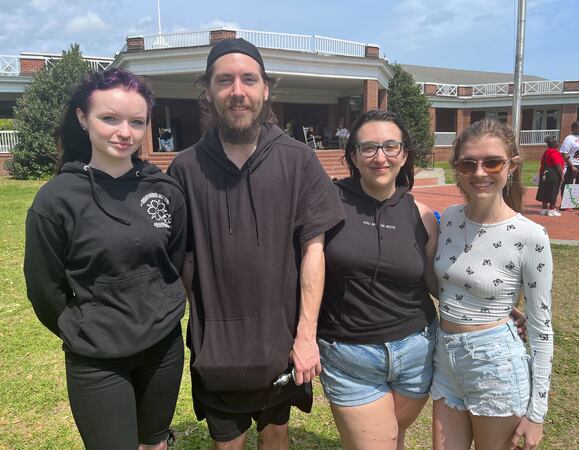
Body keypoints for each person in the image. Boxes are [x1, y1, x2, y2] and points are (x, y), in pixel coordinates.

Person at [167, 38, 346, 449]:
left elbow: (313, 250)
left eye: (249, 79)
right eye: (224, 80)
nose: (237, 91)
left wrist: (305, 337)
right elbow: (176, 263)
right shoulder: (185, 169)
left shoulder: (298, 160)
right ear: (208, 91)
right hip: (216, 352)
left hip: (281, 346)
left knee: (276, 439)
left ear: (266, 89)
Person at [24, 68, 187, 449]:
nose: (124, 132)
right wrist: (87, 327)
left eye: (136, 121)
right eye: (109, 118)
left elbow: (172, 262)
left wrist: (160, 308)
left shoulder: (164, 189)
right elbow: (45, 288)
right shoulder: (56, 200)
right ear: (83, 118)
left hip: (163, 348)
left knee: (155, 442)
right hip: (97, 359)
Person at [317, 109, 439, 449]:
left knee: (394, 438)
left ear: (404, 154)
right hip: (350, 354)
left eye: (390, 146)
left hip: (417, 350)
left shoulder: (423, 216)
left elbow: (436, 284)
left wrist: (496, 309)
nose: (380, 156)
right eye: (368, 147)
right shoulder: (327, 202)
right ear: (353, 156)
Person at [432, 119, 554, 450]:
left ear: (512, 165)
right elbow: (448, 284)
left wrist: (537, 413)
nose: (480, 172)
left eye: (492, 162)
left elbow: (543, 330)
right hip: (445, 358)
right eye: (468, 163)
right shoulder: (452, 217)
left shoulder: (530, 235)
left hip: (495, 364)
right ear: (457, 167)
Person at [560, 120, 579, 210]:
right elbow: (564, 153)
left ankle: (575, 202)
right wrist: (572, 166)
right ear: (574, 128)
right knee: (568, 184)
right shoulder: (568, 139)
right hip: (572, 164)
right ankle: (565, 204)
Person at [535, 135, 564, 216]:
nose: (558, 143)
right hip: (553, 173)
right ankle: (552, 209)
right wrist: (561, 176)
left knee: (545, 191)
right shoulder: (555, 152)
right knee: (553, 191)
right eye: (557, 142)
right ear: (554, 143)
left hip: (545, 173)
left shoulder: (546, 152)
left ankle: (544, 209)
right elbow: (558, 165)